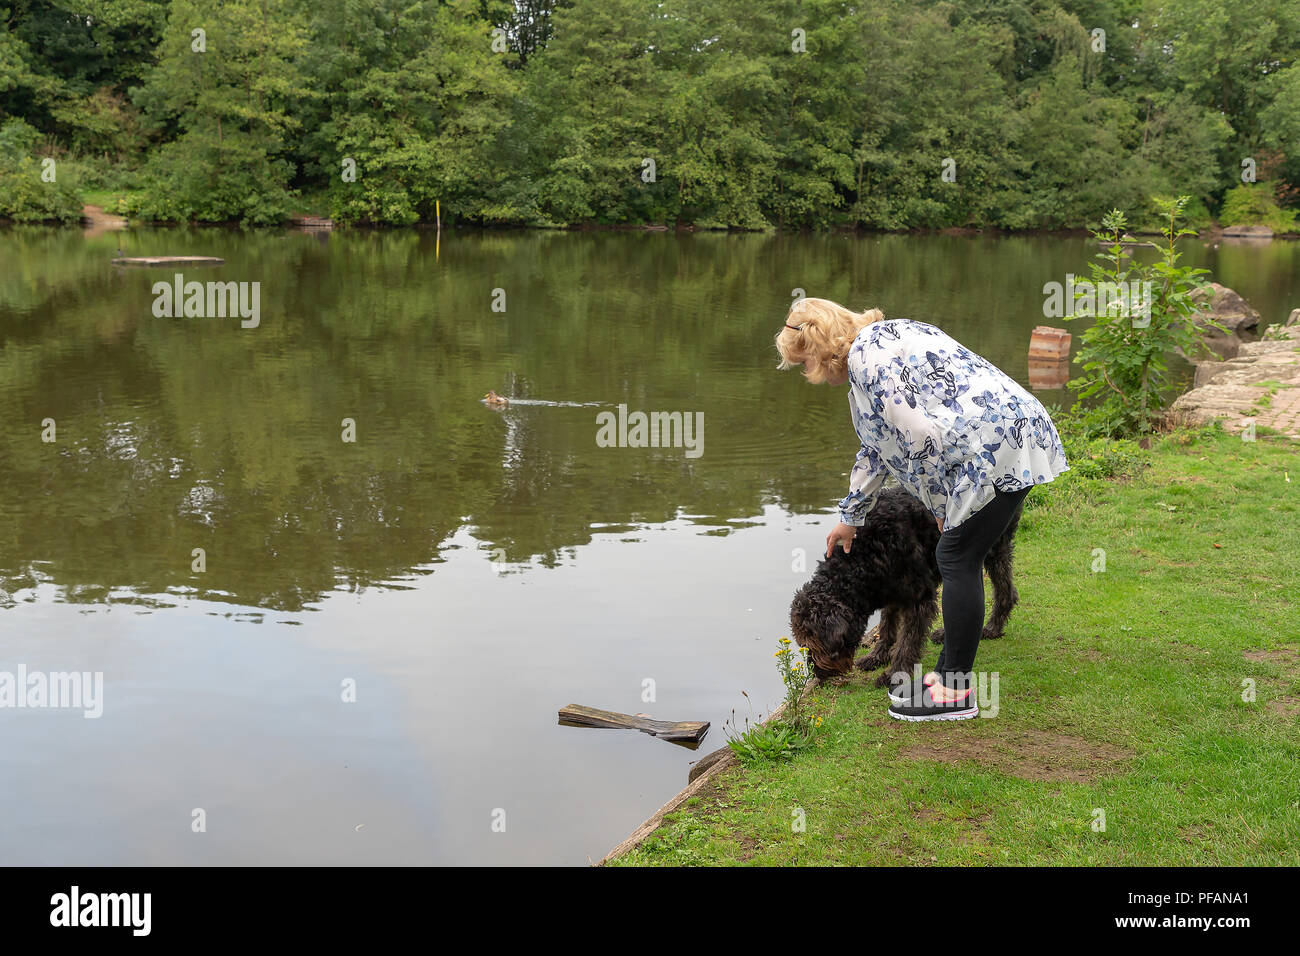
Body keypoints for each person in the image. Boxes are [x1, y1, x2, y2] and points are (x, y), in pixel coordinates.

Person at [775, 298, 1069, 721]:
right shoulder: (880, 343)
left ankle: (954, 692)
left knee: (954, 556)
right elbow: (877, 446)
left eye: (805, 362)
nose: (810, 374)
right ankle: (948, 678)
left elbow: (922, 437)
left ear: (819, 347)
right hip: (1008, 432)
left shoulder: (870, 363)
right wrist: (850, 517)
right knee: (959, 556)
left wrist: (940, 504)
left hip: (994, 447)